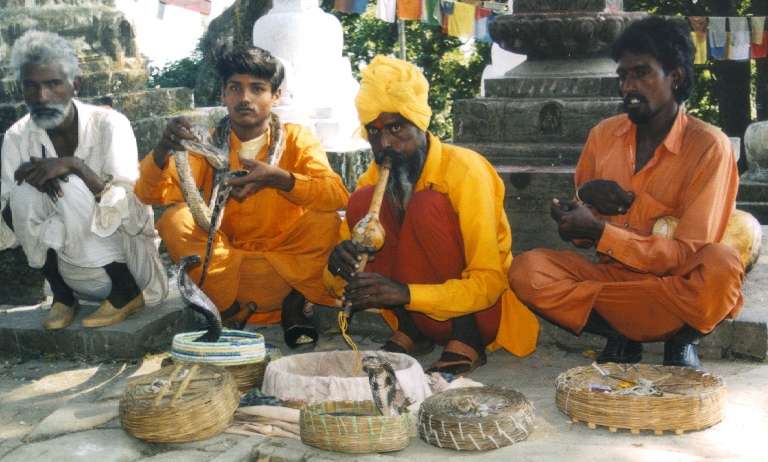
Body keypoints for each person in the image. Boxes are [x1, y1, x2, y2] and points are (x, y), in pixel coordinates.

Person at [508, 17, 745, 370]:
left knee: (722, 266)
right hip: (613, 280)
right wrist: (576, 216)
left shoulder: (709, 146)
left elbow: (686, 255)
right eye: (622, 76)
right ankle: (623, 333)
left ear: (675, 77)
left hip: (674, 285)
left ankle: (680, 341)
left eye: (641, 73)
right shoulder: (603, 135)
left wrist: (601, 232)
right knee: (526, 271)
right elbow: (583, 242)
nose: (628, 86)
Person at [325, 55, 539, 376]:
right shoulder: (373, 177)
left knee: (427, 205)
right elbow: (333, 288)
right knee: (362, 201)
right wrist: (336, 266)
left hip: (479, 317)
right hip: (415, 313)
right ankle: (411, 331)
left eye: (397, 127)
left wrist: (407, 293)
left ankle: (467, 342)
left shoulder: (465, 169)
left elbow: (490, 283)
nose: (384, 143)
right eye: (374, 131)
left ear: (420, 124)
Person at [135, 42, 349, 348]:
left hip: (288, 270)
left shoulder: (297, 138)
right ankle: (229, 311)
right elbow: (150, 194)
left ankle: (294, 304)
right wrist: (162, 149)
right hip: (227, 273)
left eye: (257, 89)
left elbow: (338, 195)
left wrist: (280, 179)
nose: (245, 98)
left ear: (275, 96)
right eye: (235, 88)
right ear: (223, 94)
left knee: (327, 221)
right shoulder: (206, 144)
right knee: (175, 220)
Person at [0, 30, 168, 330]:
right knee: (22, 190)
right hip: (70, 273)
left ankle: (124, 294)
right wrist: (27, 178)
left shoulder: (109, 125)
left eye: (53, 84)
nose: (42, 97)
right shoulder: (17, 136)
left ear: (74, 85)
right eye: (31, 87)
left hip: (129, 266)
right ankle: (63, 298)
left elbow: (134, 213)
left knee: (70, 183)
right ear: (21, 89)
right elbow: (6, 216)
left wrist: (75, 166)